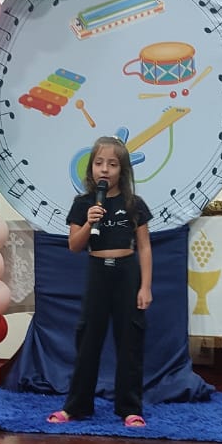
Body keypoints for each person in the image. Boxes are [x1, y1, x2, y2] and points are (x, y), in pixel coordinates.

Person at [48, 135, 152, 428]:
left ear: (123, 170)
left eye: (112, 164)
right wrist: (89, 222)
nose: (105, 169)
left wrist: (145, 287)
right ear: (91, 167)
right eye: (99, 163)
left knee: (129, 342)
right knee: (88, 341)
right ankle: (77, 406)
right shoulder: (83, 203)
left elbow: (145, 247)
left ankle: (130, 408)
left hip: (127, 272)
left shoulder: (134, 204)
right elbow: (74, 245)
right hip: (97, 272)